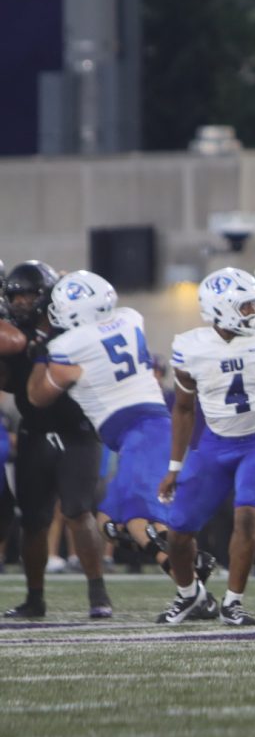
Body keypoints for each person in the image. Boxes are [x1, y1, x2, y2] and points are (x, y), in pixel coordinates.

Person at [27, 270, 217, 594]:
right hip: (148, 429)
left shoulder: (67, 346)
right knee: (108, 524)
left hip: (138, 432)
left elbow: (37, 397)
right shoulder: (130, 318)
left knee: (135, 519)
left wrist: (40, 353)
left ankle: (191, 590)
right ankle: (191, 563)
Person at [157, 268, 255, 625]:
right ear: (222, 309)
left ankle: (232, 603)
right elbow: (183, 409)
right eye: (247, 305)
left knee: (247, 516)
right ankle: (189, 597)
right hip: (214, 446)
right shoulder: (191, 347)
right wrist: (174, 467)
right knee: (179, 532)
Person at [1, 262, 110, 619]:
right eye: (15, 295)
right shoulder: (15, 331)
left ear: (45, 294)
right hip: (33, 433)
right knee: (33, 520)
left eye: (28, 294)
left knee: (78, 510)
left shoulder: (71, 328)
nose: (20, 302)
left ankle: (98, 594)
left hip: (75, 431)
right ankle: (35, 598)